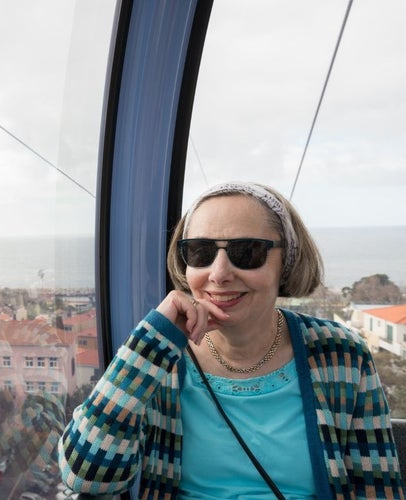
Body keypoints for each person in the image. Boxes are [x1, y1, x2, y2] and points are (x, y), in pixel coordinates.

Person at [58, 181, 404, 499]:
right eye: (199, 252)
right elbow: (85, 476)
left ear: (286, 262)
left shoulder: (340, 355)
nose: (219, 273)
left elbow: (377, 489)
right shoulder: (159, 361)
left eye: (247, 252)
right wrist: (149, 342)